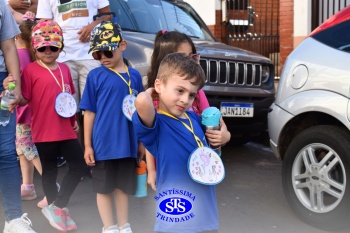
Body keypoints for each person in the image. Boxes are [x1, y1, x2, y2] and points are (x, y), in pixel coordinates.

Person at [132, 53, 231, 233]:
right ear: (159, 85)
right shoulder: (157, 125)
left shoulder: (194, 119)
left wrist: (225, 136)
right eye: (180, 91)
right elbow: (140, 102)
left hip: (206, 216)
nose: (185, 100)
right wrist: (153, 92)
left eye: (192, 95)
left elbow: (213, 146)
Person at [20, 19, 86, 232]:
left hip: (66, 129)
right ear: (34, 47)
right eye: (42, 47)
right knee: (48, 172)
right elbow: (24, 99)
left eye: (53, 47)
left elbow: (68, 99)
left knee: (78, 166)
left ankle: (57, 205)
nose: (48, 51)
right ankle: (54, 206)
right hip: (43, 130)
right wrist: (10, 89)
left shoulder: (65, 69)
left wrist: (73, 122)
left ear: (61, 47)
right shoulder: (29, 70)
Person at [79, 21, 144, 233]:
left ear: (122, 45)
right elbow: (89, 113)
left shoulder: (134, 76)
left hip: (127, 143)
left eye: (107, 51)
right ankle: (109, 227)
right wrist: (87, 145)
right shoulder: (94, 76)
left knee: (123, 187)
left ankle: (124, 225)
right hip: (102, 145)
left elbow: (142, 111)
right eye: (97, 54)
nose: (103, 58)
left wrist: (142, 142)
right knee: (103, 188)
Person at [146, 30, 210, 191]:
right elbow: (148, 140)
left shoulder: (197, 93)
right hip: (167, 164)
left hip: (196, 161)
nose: (185, 100)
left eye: (192, 56)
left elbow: (213, 120)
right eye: (183, 57)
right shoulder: (155, 99)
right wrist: (152, 170)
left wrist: (224, 135)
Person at [0, 1, 36, 232]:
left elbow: (9, 46)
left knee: (5, 151)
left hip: (2, 81)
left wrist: (16, 86)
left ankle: (13, 219)